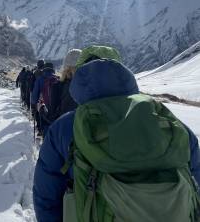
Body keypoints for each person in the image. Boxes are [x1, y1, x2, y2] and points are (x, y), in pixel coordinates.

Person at [33, 46, 200, 222]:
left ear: (80, 78)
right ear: (122, 73)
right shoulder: (168, 122)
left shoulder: (64, 128)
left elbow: (46, 199)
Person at [50, 49, 82, 120]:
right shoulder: (90, 86)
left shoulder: (57, 86)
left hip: (64, 127)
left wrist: (42, 110)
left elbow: (53, 115)